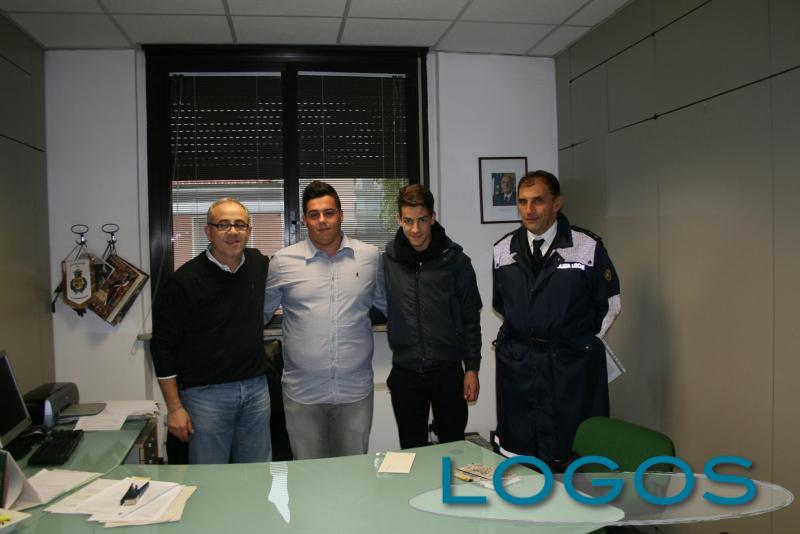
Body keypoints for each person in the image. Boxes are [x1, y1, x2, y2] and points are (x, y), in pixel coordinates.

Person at [492, 170, 621, 468]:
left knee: (573, 454)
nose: (529, 210)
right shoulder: (502, 250)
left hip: (570, 368)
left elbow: (610, 305)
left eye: (538, 201)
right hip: (520, 366)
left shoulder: (586, 246)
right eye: (522, 202)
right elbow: (502, 304)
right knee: (523, 454)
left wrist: (579, 346)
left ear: (557, 203)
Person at [264, 181, 386, 459]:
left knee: (352, 474)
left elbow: (388, 305)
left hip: (354, 392)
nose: (322, 221)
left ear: (340, 215)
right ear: (304, 219)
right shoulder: (282, 262)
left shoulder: (369, 257)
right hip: (303, 394)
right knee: (309, 477)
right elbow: (258, 315)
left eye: (329, 213)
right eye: (314, 214)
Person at [150, 198, 271, 464]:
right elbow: (161, 346)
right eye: (223, 225)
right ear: (208, 231)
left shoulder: (258, 264)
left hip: (256, 390)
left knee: (258, 474)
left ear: (249, 230)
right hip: (206, 397)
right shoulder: (184, 280)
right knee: (209, 477)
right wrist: (175, 408)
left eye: (240, 224)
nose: (233, 232)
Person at [383, 184, 482, 449]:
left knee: (454, 449)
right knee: (412, 452)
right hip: (405, 371)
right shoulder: (388, 261)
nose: (416, 229)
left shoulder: (456, 261)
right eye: (408, 221)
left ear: (433, 218)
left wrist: (472, 368)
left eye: (423, 220)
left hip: (447, 371)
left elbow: (471, 318)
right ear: (399, 219)